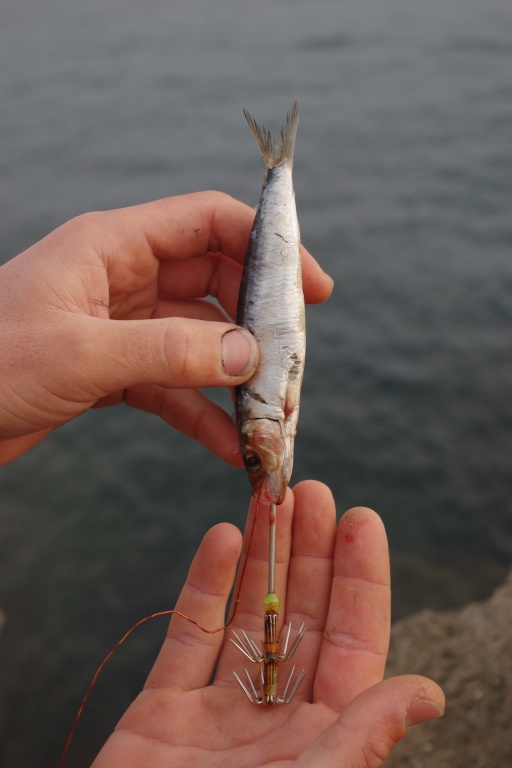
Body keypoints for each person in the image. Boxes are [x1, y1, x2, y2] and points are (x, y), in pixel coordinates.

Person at [0, 192, 444, 765]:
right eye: (255, 462)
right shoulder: (269, 420)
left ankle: (277, 168)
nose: (260, 471)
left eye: (253, 461)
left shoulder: (269, 418)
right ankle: (278, 168)